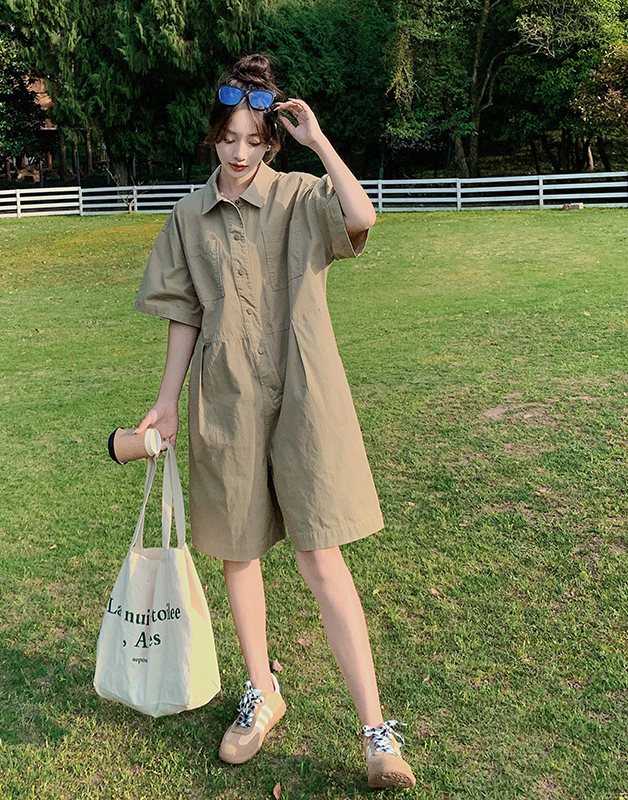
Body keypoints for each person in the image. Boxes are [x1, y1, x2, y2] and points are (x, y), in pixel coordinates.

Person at [133, 53, 416, 790]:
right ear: (213, 136)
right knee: (238, 551)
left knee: (322, 557)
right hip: (225, 398)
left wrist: (318, 141)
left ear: (271, 142)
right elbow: (184, 316)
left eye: (254, 140)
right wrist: (165, 401)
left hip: (303, 393)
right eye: (229, 137)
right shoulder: (188, 216)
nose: (239, 153)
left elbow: (362, 217)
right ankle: (262, 693)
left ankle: (375, 732)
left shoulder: (299, 195)